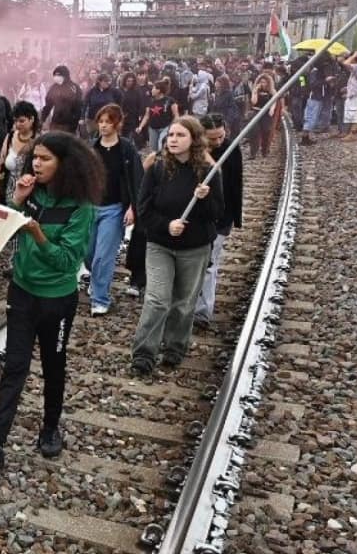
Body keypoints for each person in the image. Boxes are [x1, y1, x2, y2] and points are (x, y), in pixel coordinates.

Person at [0, 131, 101, 469]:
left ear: (65, 165)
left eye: (45, 159)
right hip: (22, 292)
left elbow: (66, 261)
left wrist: (37, 233)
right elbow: (3, 228)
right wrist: (16, 200)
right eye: (35, 157)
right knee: (14, 366)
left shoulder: (80, 207)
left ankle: (49, 430)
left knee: (53, 365)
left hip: (56, 300)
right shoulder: (34, 191)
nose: (37, 163)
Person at [130, 116, 222, 378]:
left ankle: (174, 348)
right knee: (157, 299)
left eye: (180, 135)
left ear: (193, 139)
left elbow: (218, 212)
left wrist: (204, 199)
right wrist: (165, 225)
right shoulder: (157, 168)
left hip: (194, 248)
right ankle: (144, 354)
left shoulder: (208, 171)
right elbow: (143, 209)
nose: (172, 139)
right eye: (170, 135)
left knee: (183, 302)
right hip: (160, 245)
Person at [85, 105, 143, 316]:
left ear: (117, 124)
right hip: (91, 207)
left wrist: (132, 208)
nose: (103, 126)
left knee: (103, 256)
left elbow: (136, 179)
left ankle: (100, 299)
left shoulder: (126, 149)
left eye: (108, 122)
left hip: (114, 209)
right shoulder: (92, 147)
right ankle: (96, 279)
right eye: (101, 121)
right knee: (88, 254)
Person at [193, 115, 245, 329]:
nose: (217, 142)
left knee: (209, 264)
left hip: (221, 217)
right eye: (212, 138)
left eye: (220, 137)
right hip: (194, 215)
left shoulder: (232, 150)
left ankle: (202, 312)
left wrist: (234, 219)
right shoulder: (193, 152)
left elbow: (236, 185)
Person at [0, 101, 41, 203]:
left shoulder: (39, 141)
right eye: (15, 121)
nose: (17, 125)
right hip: (7, 191)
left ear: (32, 119)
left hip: (30, 196)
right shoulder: (10, 137)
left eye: (22, 121)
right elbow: (0, 163)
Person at [247, 72, 280, 158]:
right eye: (261, 82)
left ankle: (264, 150)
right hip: (256, 111)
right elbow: (253, 102)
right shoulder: (256, 90)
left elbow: (275, 100)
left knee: (266, 131)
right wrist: (255, 91)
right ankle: (253, 152)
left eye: (264, 82)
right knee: (254, 132)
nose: (263, 84)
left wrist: (272, 109)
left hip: (266, 113)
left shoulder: (272, 91)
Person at [43, 65, 83, 136]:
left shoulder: (74, 88)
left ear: (65, 75)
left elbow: (78, 107)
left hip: (69, 124)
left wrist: (74, 124)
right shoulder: (54, 87)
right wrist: (42, 118)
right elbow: (48, 105)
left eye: (58, 75)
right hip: (55, 122)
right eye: (55, 75)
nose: (56, 77)